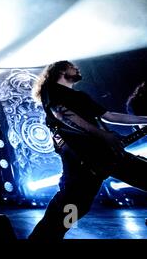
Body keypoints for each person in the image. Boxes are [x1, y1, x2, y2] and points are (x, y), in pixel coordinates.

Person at [29, 60, 147, 240]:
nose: (76, 69)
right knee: (72, 208)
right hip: (82, 158)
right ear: (59, 71)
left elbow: (109, 116)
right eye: (71, 66)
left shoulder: (81, 96)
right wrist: (102, 134)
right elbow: (60, 114)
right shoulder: (52, 89)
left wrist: (145, 120)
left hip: (106, 155)